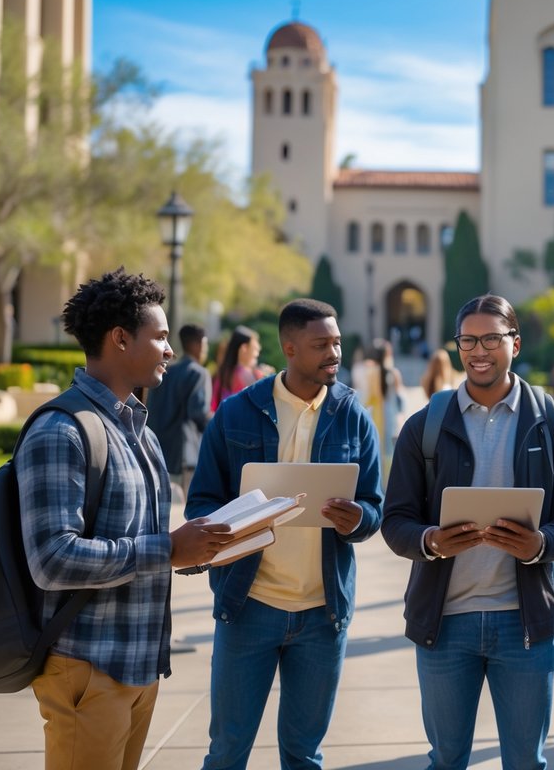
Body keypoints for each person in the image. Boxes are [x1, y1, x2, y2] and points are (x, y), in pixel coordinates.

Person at [17, 268, 229, 770]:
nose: (170, 350)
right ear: (119, 339)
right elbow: (51, 559)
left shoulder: (142, 432)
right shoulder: (60, 431)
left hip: (139, 665)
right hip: (85, 665)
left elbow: (155, 545)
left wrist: (205, 547)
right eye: (159, 337)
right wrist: (169, 549)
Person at [381, 294, 554, 770]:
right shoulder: (423, 427)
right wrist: (430, 542)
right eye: (468, 340)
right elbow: (395, 522)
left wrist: (540, 545)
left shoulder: (552, 423)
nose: (479, 350)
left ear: (514, 342)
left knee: (525, 762)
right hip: (444, 623)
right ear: (457, 348)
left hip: (525, 622)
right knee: (447, 760)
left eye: (491, 338)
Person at [186, 298, 383, 770]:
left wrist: (357, 519)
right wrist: (235, 523)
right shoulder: (236, 413)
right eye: (322, 345)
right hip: (248, 607)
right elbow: (201, 503)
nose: (334, 353)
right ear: (290, 348)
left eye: (336, 342)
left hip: (322, 614)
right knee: (228, 751)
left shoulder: (354, 416)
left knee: (304, 755)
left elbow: (376, 507)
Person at [146, 323, 212, 500]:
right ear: (198, 345)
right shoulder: (199, 373)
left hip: (157, 448)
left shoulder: (165, 370)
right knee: (185, 510)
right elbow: (198, 413)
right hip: (185, 453)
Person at [211, 324, 261, 411]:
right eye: (255, 349)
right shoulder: (241, 375)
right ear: (244, 348)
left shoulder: (222, 374)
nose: (257, 353)